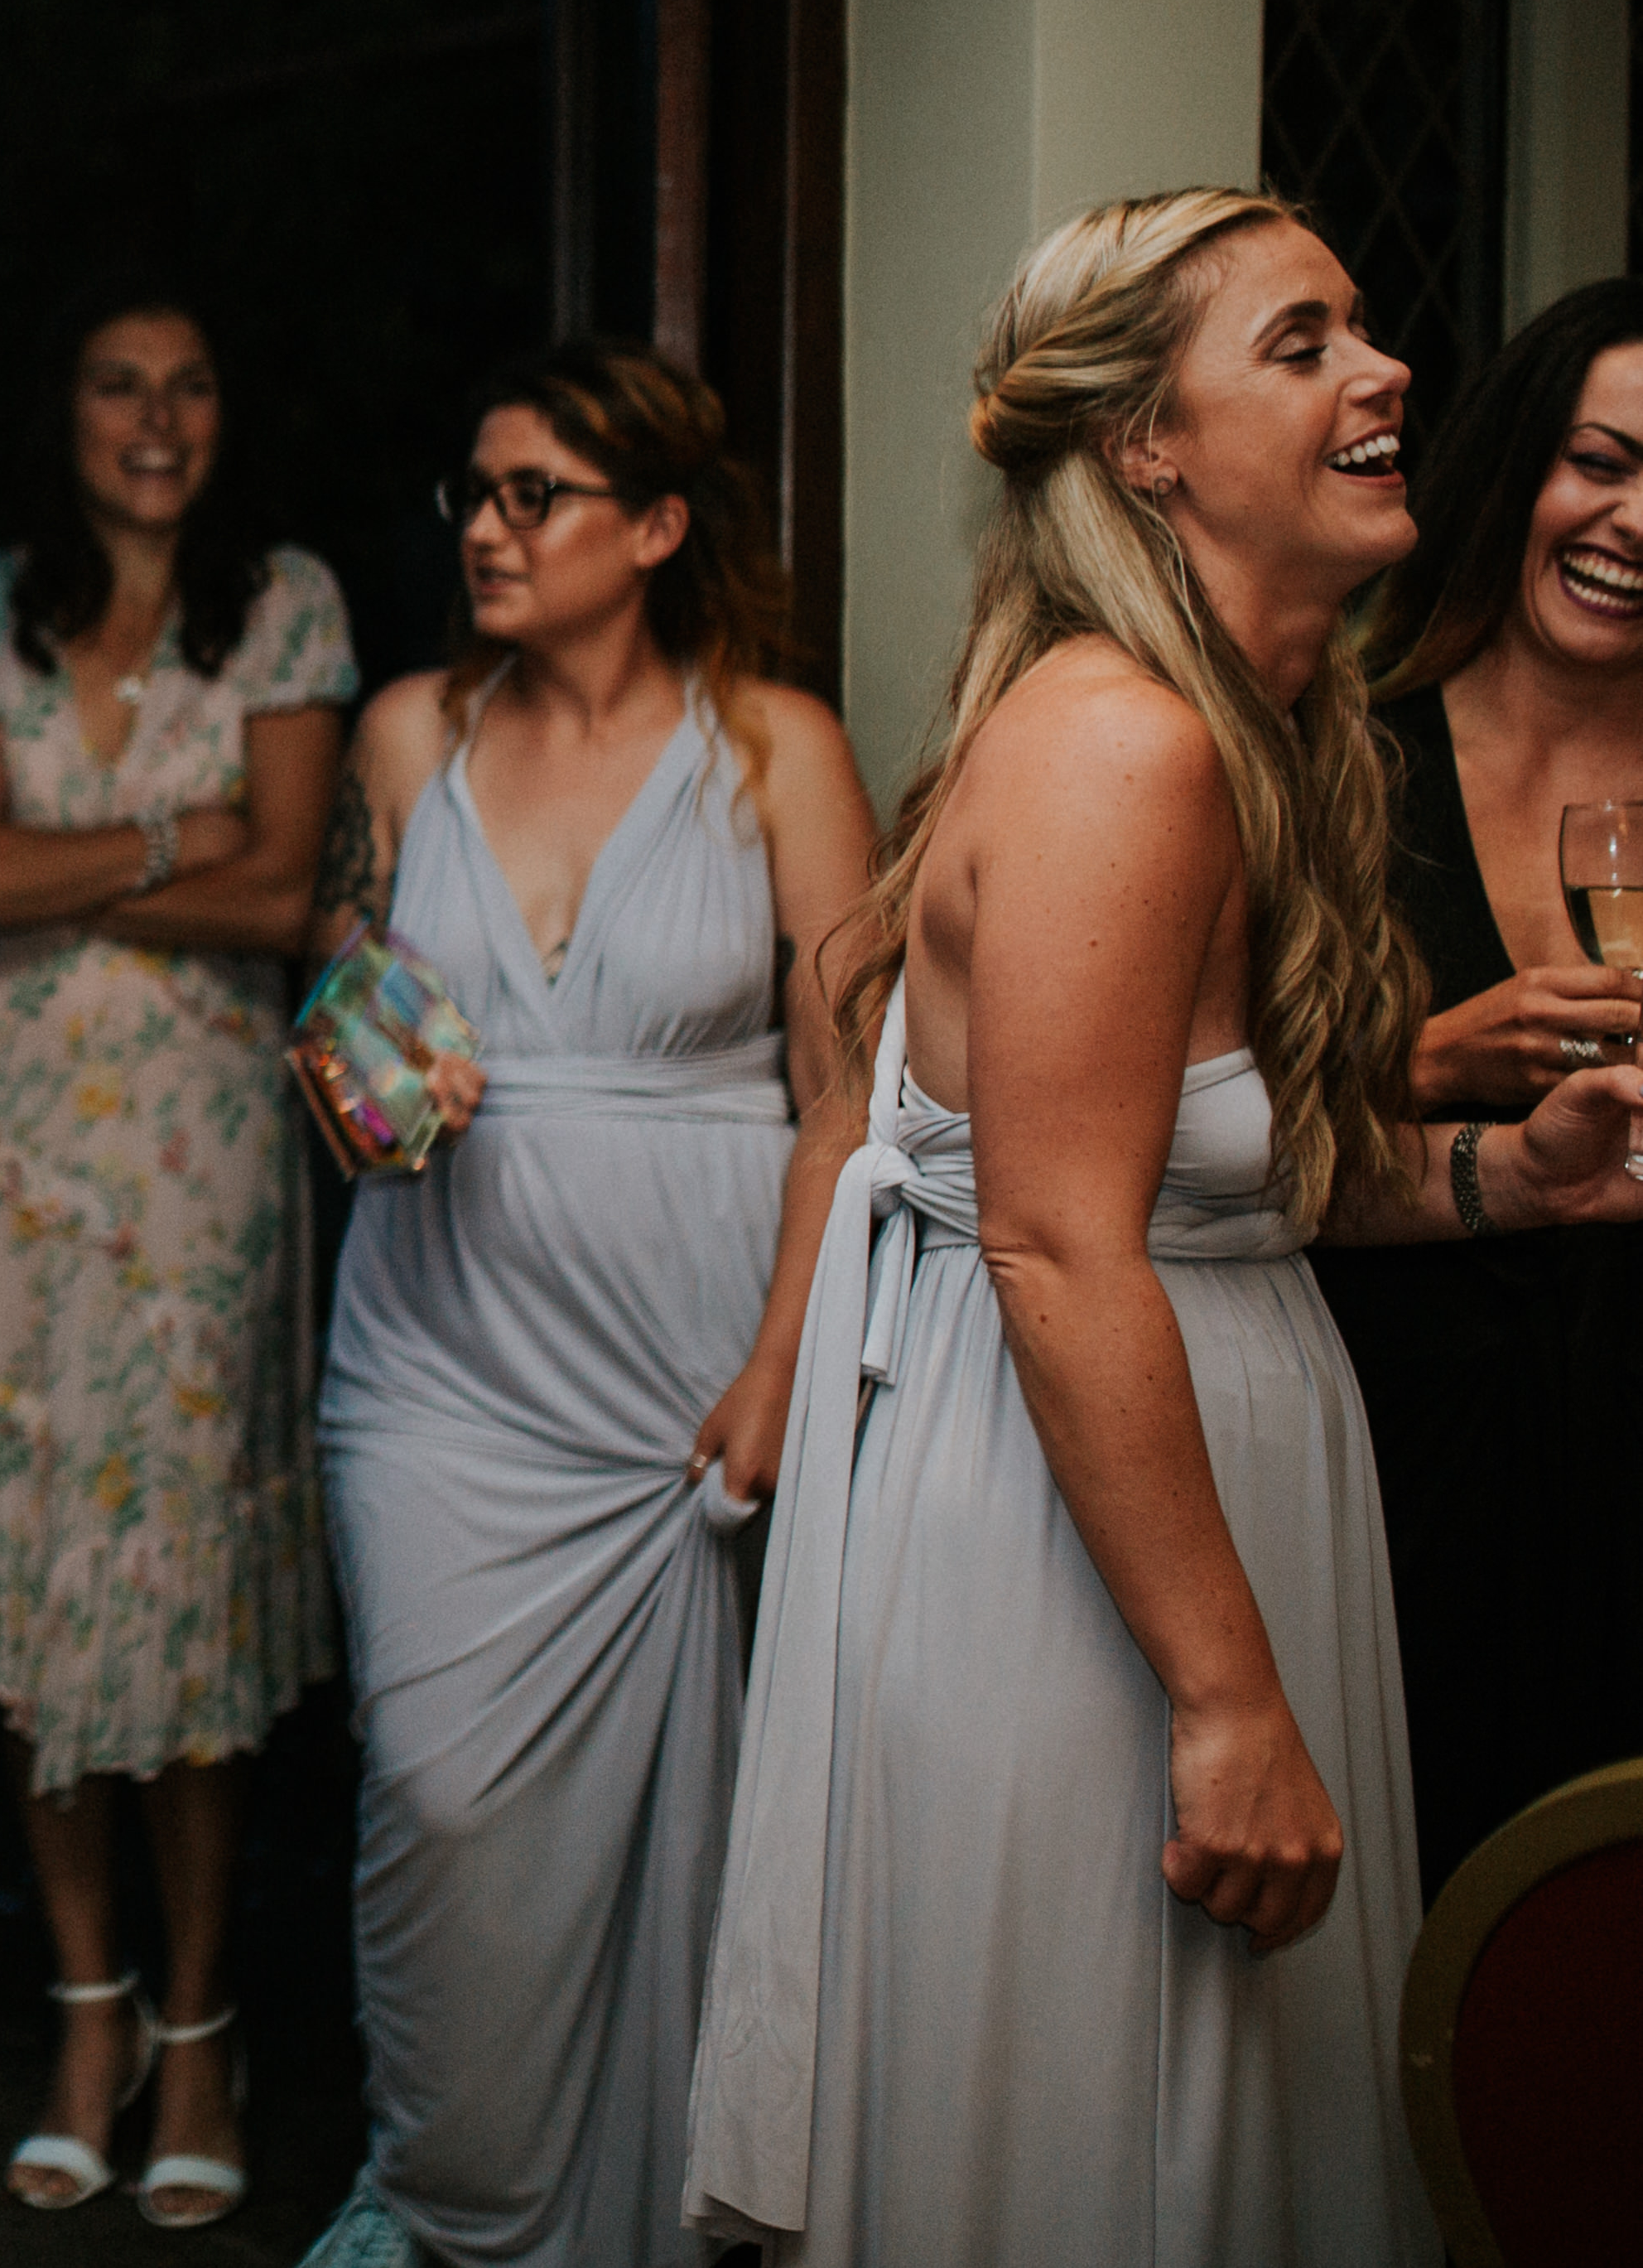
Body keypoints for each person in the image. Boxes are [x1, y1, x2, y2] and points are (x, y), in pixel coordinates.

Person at [684, 190, 1643, 2266]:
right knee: (1100, 2138)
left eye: (1364, 334)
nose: (1384, 376)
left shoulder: (1266, 733)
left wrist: (1508, 1175)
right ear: (1146, 445)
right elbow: (1054, 1241)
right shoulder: (1124, 741)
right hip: (1080, 1542)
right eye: (1297, 347)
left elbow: (1227, 1180)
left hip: (1177, 1472)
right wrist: (1223, 1699)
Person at [300, 345, 874, 2268]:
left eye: (530, 493)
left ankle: (664, 2222)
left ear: (655, 527)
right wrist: (359, 1070)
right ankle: (449, 2198)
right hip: (438, 1358)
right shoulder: (406, 734)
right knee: (438, 1791)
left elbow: (848, 1093)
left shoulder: (775, 746)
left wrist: (781, 1364)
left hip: (688, 1372)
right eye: (469, 492)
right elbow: (343, 1014)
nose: (480, 526)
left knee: (693, 1828)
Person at [0, 279, 354, 2228]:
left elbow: (288, 895)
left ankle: (195, 2024)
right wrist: (181, 834)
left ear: (225, 415)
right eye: (112, 385)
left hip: (198, 1182)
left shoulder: (288, 607)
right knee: (37, 1600)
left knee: (180, 1595)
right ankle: (84, 2013)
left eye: (186, 384)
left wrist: (86, 857)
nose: (151, 420)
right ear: (57, 411)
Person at [1323, 276, 1643, 1893]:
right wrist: (1438, 1058)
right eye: (1600, 460)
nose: (1632, 519)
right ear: (1516, 465)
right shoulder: (1342, 761)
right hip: (1399, 1445)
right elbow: (1197, 1127)